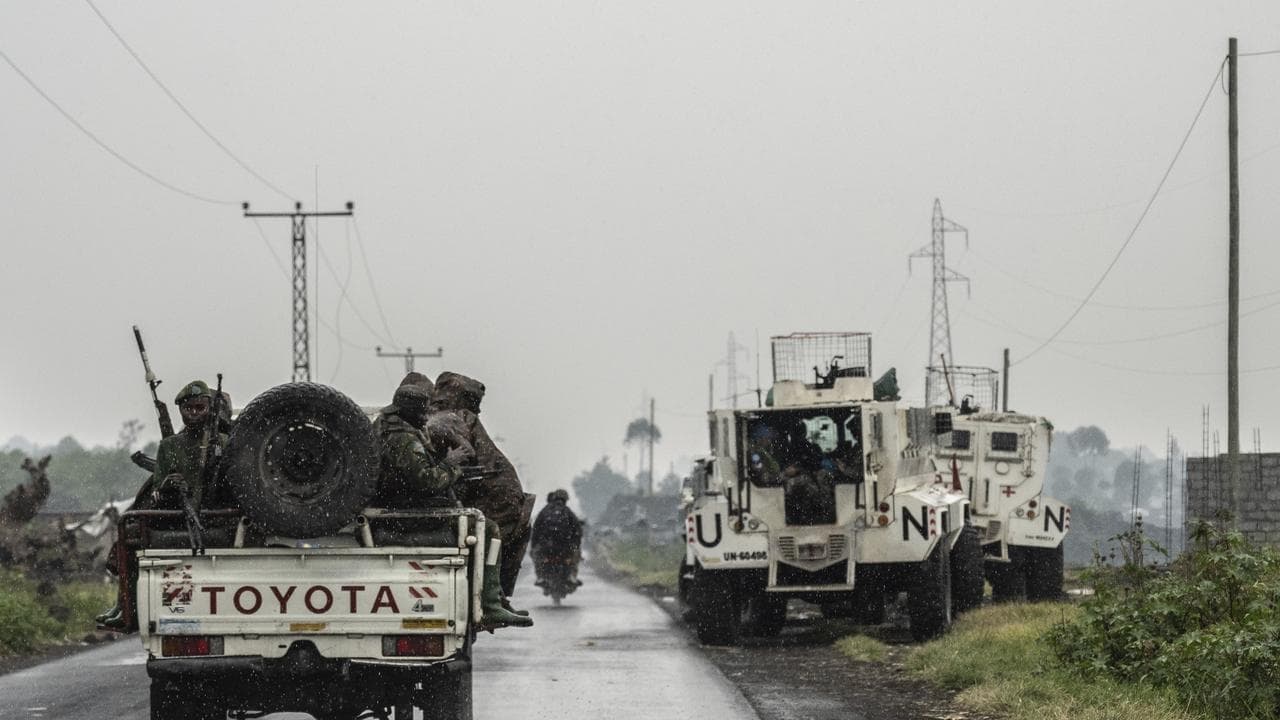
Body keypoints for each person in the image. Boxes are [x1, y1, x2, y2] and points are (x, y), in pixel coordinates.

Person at [376, 376, 532, 629]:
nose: (428, 415)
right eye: (424, 410)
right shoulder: (405, 438)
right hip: (410, 515)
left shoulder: (386, 428)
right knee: (488, 529)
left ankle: (491, 599)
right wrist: (452, 463)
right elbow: (428, 481)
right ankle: (491, 605)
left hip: (401, 510)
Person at [97, 380, 228, 630]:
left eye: (200, 407)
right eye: (189, 409)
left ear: (210, 409)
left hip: (218, 515)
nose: (194, 413)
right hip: (176, 514)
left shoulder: (224, 442)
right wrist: (169, 484)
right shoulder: (170, 446)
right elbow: (157, 488)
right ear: (181, 411)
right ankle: (127, 606)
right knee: (129, 537)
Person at [426, 372, 535, 611]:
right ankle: (491, 599)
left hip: (486, 497)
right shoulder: (454, 418)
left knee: (494, 540)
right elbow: (464, 461)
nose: (478, 411)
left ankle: (493, 597)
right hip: (487, 499)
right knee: (495, 537)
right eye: (474, 402)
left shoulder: (438, 419)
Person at [531, 489, 583, 587]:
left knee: (536, 555)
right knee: (577, 555)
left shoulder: (545, 510)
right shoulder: (568, 511)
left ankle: (540, 576)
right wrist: (575, 544)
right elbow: (578, 530)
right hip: (565, 547)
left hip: (546, 547)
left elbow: (536, 529)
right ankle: (572, 575)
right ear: (565, 499)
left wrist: (534, 546)